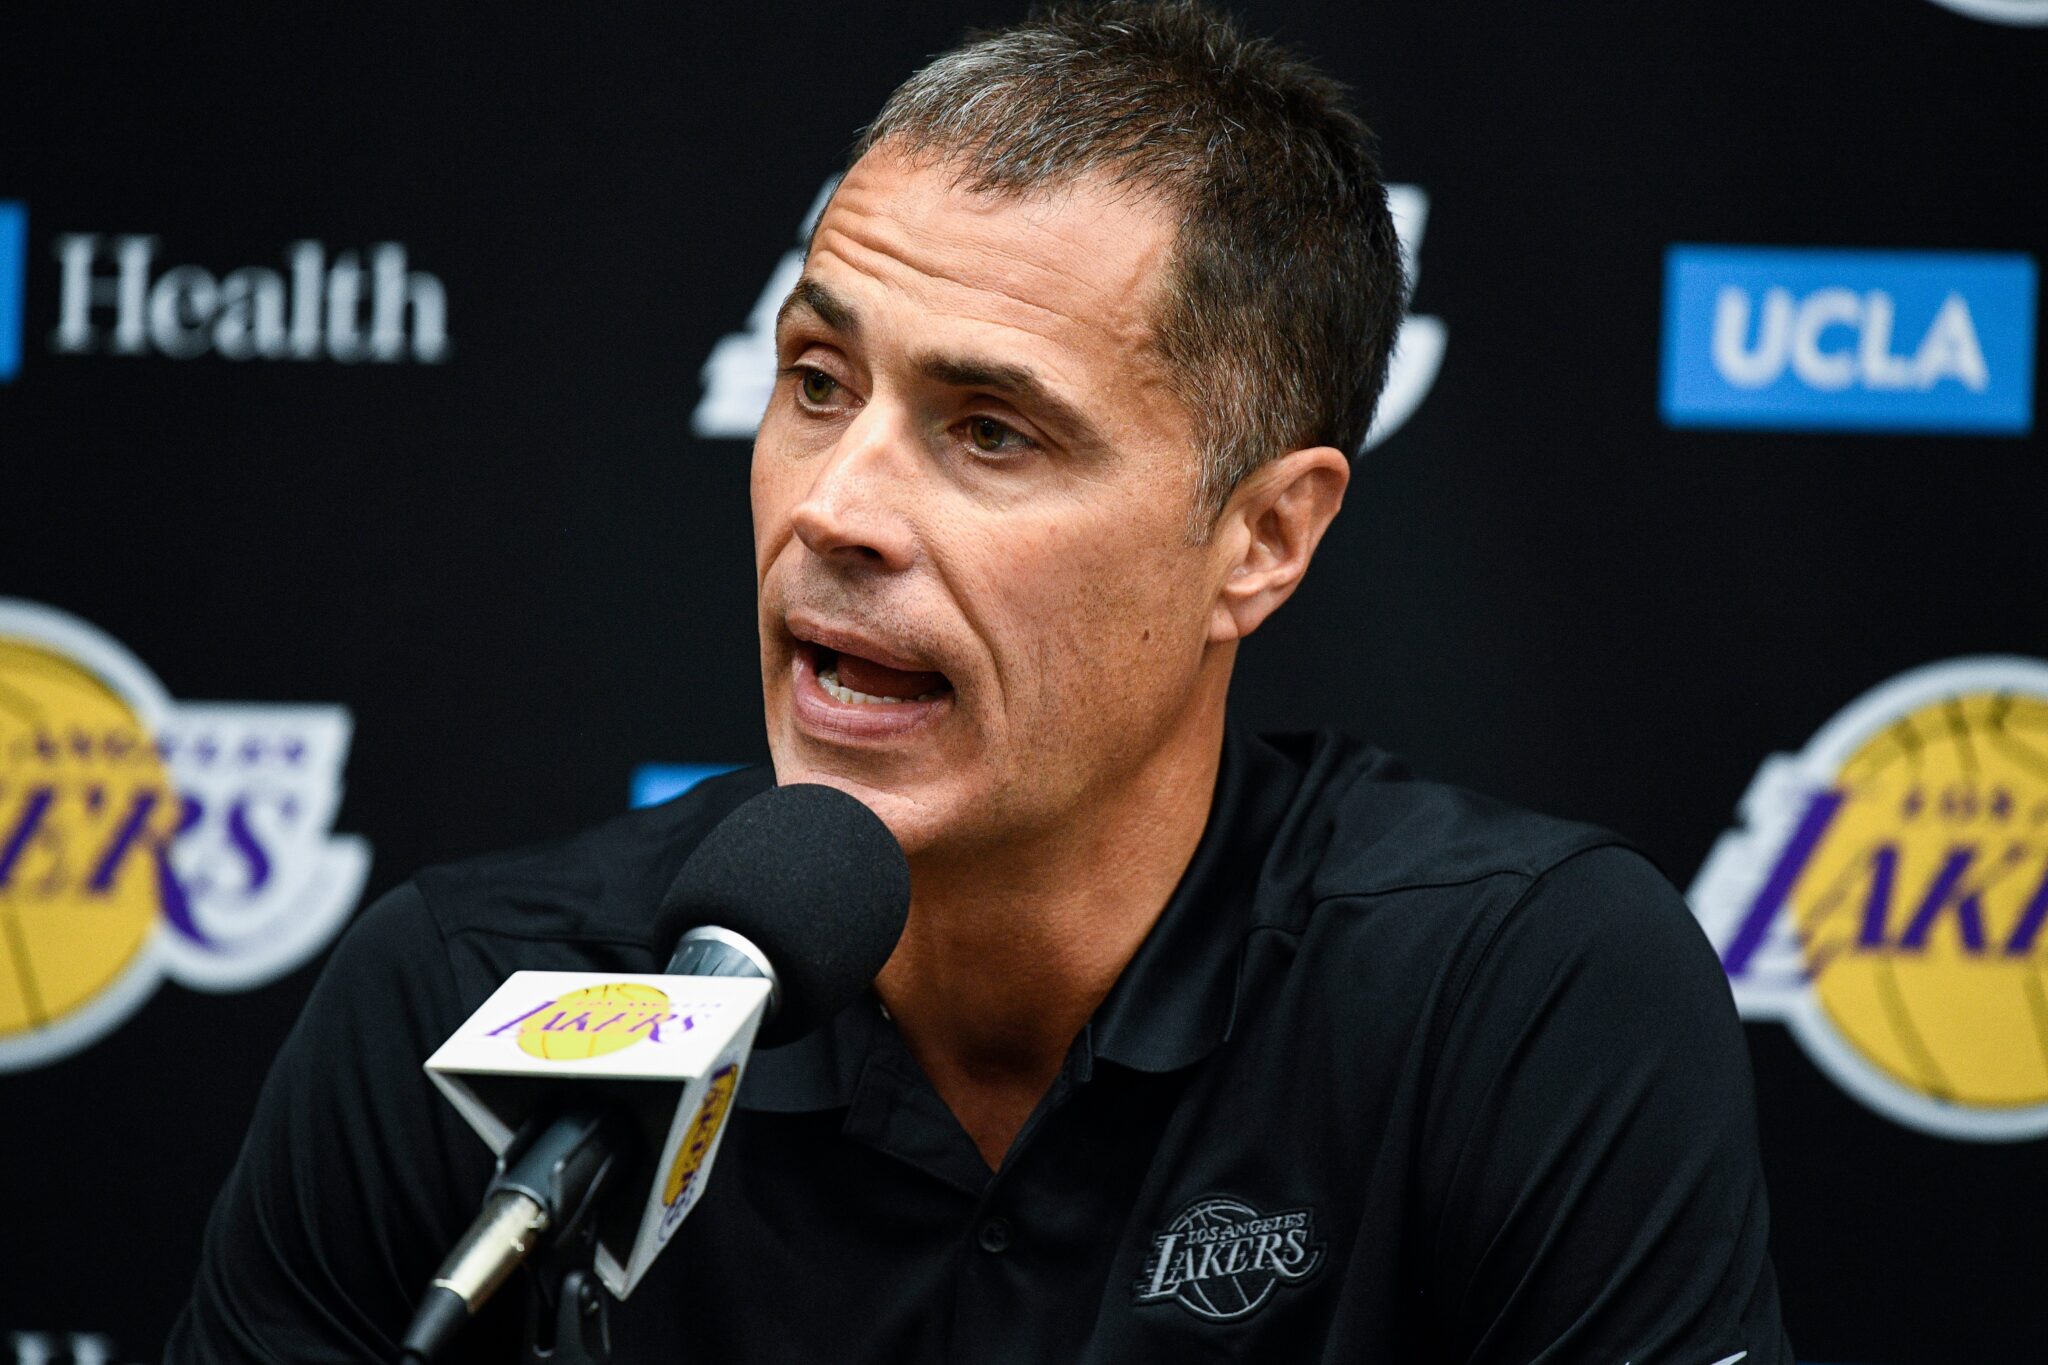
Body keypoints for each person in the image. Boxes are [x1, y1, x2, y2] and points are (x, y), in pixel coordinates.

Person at [171, 3, 1793, 1360]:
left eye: (991, 431)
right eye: (817, 381)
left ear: (1263, 538)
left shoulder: (1521, 999)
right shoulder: (464, 1011)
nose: (836, 508)